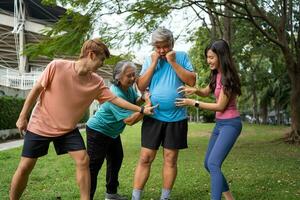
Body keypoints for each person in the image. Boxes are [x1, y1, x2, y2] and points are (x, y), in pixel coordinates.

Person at [9, 38, 155, 200]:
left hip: (67, 129)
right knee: (25, 167)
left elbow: (115, 100)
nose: (102, 64)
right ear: (91, 55)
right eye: (101, 60)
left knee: (83, 160)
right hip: (40, 125)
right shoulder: (57, 66)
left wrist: (141, 109)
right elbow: (36, 90)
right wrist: (23, 116)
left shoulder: (96, 82)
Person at [131, 27, 196, 200]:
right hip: (153, 116)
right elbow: (142, 86)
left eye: (164, 46)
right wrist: (153, 63)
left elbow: (191, 81)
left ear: (171, 44)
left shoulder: (181, 56)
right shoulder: (150, 59)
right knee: (145, 157)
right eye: (157, 47)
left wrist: (173, 62)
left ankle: (165, 197)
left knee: (170, 158)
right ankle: (135, 197)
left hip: (177, 117)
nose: (161, 50)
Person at [176, 39, 242, 200]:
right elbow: (206, 92)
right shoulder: (217, 75)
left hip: (231, 124)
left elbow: (220, 106)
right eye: (207, 57)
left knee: (213, 164)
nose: (208, 61)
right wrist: (195, 90)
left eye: (211, 57)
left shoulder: (228, 78)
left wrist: (194, 103)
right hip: (220, 124)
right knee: (208, 163)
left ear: (221, 56)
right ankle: (230, 198)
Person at [86, 61, 152, 200]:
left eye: (134, 75)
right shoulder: (115, 93)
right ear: (118, 77)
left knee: (116, 159)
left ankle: (111, 194)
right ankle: (87, 197)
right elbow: (129, 121)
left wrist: (142, 98)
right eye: (129, 76)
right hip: (98, 131)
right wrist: (144, 110)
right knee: (93, 166)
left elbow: (134, 102)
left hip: (112, 133)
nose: (133, 78)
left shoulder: (128, 88)